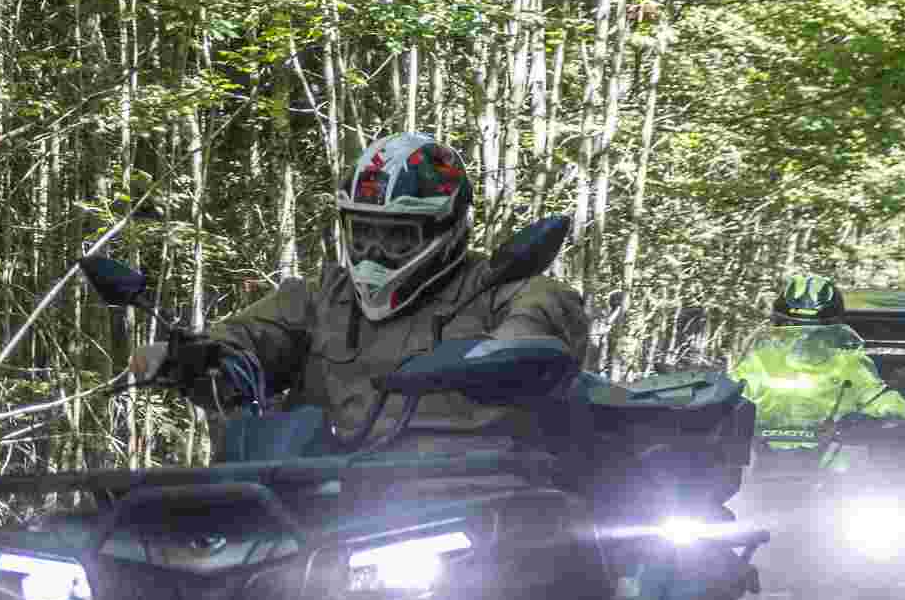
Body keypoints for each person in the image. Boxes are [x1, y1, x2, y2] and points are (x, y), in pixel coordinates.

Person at [137, 129, 590, 440]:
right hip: (322, 500)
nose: (374, 253)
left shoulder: (499, 289)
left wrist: (507, 353)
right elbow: (255, 335)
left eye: (396, 238)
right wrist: (192, 358)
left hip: (465, 504)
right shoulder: (321, 299)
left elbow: (546, 312)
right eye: (363, 233)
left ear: (445, 229)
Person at [728, 319, 905, 447]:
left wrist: (878, 418)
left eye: (818, 325)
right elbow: (731, 392)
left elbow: (879, 397)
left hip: (835, 456)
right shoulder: (760, 360)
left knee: (861, 474)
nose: (804, 334)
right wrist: (721, 410)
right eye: (793, 324)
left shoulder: (850, 364)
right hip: (755, 453)